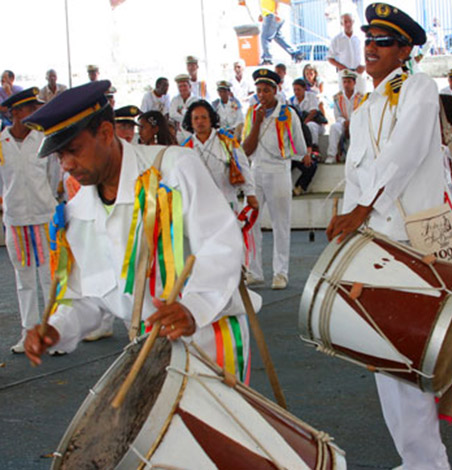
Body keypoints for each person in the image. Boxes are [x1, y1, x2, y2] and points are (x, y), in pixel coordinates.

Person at [23, 80, 258, 386]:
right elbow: (90, 296)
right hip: (149, 347)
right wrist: (57, 328)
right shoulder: (78, 212)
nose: (67, 165)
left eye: (74, 150)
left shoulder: (173, 170)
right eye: (59, 157)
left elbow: (221, 244)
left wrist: (192, 307)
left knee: (220, 431)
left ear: (106, 133)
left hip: (209, 335)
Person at [326, 4, 450, 469]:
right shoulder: (364, 105)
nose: (371, 47)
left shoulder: (418, 88)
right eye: (369, 39)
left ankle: (429, 462)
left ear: (405, 50)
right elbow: (356, 174)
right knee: (382, 356)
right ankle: (414, 457)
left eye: (382, 41)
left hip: (411, 242)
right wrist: (347, 220)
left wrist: (362, 209)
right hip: (375, 243)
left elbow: (405, 153)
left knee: (409, 356)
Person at [0, 88, 58, 353]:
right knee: (24, 280)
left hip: (44, 217)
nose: (36, 113)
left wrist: (47, 203)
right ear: (15, 113)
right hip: (16, 219)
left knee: (49, 276)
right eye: (30, 109)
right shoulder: (2, 144)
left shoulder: (44, 140)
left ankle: (54, 331)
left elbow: (53, 178)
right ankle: (29, 333)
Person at [242, 68, 305, 289]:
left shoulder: (288, 113)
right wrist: (257, 122)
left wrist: (285, 159)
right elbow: (245, 150)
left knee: (280, 224)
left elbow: (299, 146)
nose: (262, 95)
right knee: (250, 223)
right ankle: (254, 270)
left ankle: (281, 272)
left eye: (266, 90)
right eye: (258, 90)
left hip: (278, 169)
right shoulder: (251, 113)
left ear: (276, 90)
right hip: (255, 170)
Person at [182, 100, 257, 213]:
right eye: (196, 118)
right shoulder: (186, 148)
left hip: (227, 201)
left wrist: (250, 193)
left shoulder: (226, 141)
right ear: (191, 122)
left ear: (211, 119)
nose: (200, 122)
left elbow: (243, 167)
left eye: (204, 117)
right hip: (199, 204)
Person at [326, 69, 363, 164]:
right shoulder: (337, 97)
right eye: (344, 82)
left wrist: (351, 123)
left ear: (354, 83)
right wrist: (345, 123)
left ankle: (355, 157)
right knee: (334, 127)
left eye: (349, 82)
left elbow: (362, 115)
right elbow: (337, 115)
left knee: (359, 130)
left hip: (356, 124)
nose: (346, 84)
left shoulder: (361, 97)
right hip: (342, 123)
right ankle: (331, 155)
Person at [327, 12, 366, 92]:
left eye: (350, 21)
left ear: (353, 22)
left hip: (359, 73)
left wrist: (364, 67)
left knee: (361, 98)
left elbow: (369, 54)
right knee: (344, 99)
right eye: (345, 22)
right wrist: (341, 66)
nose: (348, 24)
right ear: (342, 23)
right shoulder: (337, 39)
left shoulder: (360, 37)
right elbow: (330, 58)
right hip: (344, 74)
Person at [258, 0, 304, 65]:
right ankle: (296, 53)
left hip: (272, 14)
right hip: (269, 14)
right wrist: (262, 14)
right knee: (278, 37)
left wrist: (276, 12)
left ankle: (267, 58)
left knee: (265, 37)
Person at [290, 78, 325, 148]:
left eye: (298, 89)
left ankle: (314, 147)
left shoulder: (311, 96)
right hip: (299, 124)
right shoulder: (292, 100)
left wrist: (303, 125)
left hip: (315, 124)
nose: (296, 92)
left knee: (310, 126)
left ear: (304, 89)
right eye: (294, 90)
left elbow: (313, 112)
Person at [169, 74, 196, 143]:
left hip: (192, 131)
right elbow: (172, 114)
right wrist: (186, 115)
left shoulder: (196, 100)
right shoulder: (175, 100)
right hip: (180, 132)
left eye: (184, 86)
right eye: (180, 86)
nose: (182, 88)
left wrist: (181, 113)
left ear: (190, 86)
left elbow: (194, 116)